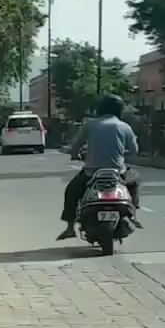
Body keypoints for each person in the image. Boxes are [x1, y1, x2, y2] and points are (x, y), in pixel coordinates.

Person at [57, 94, 141, 240]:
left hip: (92, 173)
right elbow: (134, 151)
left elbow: (76, 145)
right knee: (134, 181)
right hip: (118, 173)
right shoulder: (125, 126)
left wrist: (75, 154)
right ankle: (132, 214)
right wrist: (121, 157)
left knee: (72, 190)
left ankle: (70, 227)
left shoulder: (90, 124)